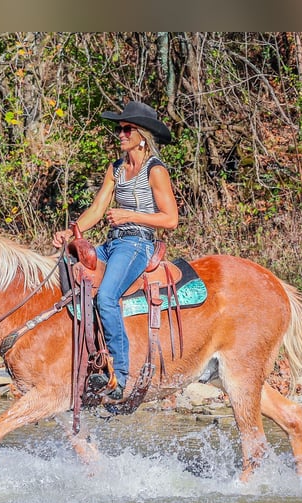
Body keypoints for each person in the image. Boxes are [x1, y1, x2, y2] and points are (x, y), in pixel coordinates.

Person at [53, 101, 178, 401]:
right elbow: (97, 209)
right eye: (119, 129)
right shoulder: (117, 168)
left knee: (107, 296)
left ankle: (119, 376)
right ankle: (87, 359)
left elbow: (170, 219)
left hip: (137, 243)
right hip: (111, 243)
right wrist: (71, 233)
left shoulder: (155, 170)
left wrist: (129, 215)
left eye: (126, 129)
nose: (120, 134)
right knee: (71, 278)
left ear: (142, 135)